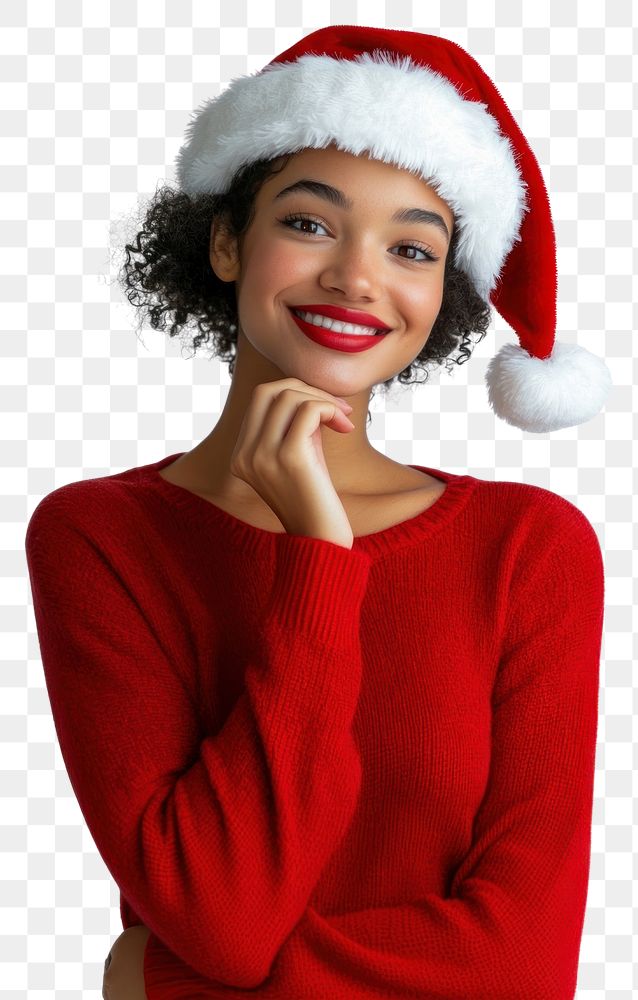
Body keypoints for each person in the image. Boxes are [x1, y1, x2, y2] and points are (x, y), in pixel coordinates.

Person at [26, 24, 608, 1000]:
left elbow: (520, 965)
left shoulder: (527, 548)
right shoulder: (99, 537)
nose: (356, 276)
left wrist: (163, 981)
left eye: (411, 247)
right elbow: (221, 913)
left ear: (439, 293)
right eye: (308, 223)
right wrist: (317, 566)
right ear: (224, 241)